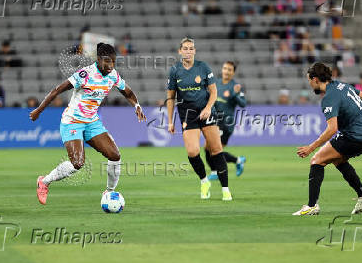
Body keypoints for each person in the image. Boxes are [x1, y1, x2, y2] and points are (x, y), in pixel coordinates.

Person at [30, 43, 146, 205]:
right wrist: (39, 110)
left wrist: (137, 105)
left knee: (115, 156)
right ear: (98, 60)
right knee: (77, 163)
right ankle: (44, 182)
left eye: (113, 62)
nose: (110, 65)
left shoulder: (113, 75)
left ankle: (109, 193)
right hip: (72, 122)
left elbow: (127, 92)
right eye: (107, 61)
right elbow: (57, 90)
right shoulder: (84, 74)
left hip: (92, 122)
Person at [293, 63, 362, 216]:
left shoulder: (329, 98)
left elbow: (332, 129)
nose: (309, 84)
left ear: (316, 79)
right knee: (337, 159)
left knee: (317, 159)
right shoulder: (341, 85)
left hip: (356, 136)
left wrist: (310, 147)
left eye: (310, 80)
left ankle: (312, 206)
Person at [166, 37, 232, 201]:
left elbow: (214, 92)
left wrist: (208, 108)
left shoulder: (203, 67)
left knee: (216, 150)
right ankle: (204, 181)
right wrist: (169, 121)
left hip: (206, 110)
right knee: (192, 151)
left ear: (194, 51)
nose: (188, 51)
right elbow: (170, 98)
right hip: (187, 113)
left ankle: (225, 189)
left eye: (191, 48)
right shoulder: (175, 70)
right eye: (185, 48)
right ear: (180, 51)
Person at [205, 61, 247, 181]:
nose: (226, 71)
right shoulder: (216, 83)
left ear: (233, 73)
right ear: (222, 69)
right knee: (208, 148)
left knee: (215, 149)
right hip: (214, 121)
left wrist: (237, 94)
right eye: (225, 68)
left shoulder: (235, 86)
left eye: (229, 70)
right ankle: (237, 161)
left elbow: (243, 104)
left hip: (226, 124)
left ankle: (217, 171)